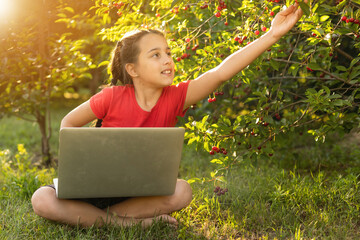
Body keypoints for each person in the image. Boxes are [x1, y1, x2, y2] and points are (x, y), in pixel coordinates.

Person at [31, 2, 305, 228]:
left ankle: (104, 220)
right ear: (133, 69)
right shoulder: (111, 96)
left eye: (168, 53)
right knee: (41, 198)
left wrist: (272, 35)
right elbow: (69, 123)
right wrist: (83, 163)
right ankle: (127, 224)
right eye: (155, 55)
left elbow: (220, 72)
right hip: (93, 189)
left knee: (182, 190)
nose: (167, 60)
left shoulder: (176, 98)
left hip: (137, 191)